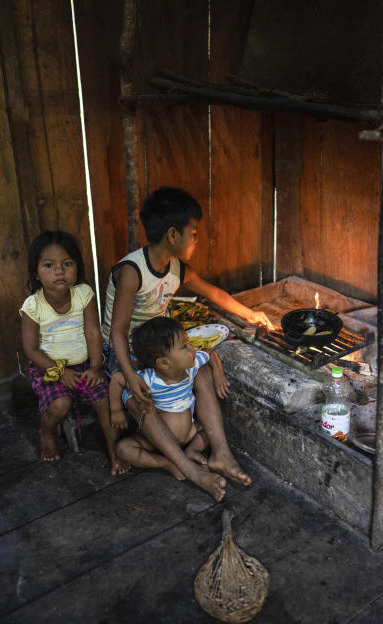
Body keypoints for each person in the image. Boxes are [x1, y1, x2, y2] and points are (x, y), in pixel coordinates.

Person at [102, 187, 272, 500]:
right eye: (192, 233)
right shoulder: (132, 271)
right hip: (125, 354)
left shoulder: (177, 268)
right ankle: (188, 467)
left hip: (160, 348)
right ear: (172, 234)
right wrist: (130, 374)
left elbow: (215, 294)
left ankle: (220, 453)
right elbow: (117, 333)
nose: (196, 239)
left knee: (204, 372)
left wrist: (253, 314)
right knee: (143, 400)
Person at [20, 231, 127, 472]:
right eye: (49, 265)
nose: (59, 271)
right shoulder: (33, 306)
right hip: (49, 369)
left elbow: (93, 333)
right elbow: (31, 349)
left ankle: (114, 450)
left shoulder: (83, 295)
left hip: (86, 366)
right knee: (60, 404)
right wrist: (60, 372)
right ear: (36, 273)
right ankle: (46, 431)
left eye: (67, 264)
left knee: (105, 401)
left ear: (76, 268)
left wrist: (95, 366)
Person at [109, 317, 230, 484]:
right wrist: (116, 410)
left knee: (212, 428)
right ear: (164, 363)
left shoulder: (192, 365)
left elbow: (210, 353)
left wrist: (218, 374)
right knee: (123, 449)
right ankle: (167, 463)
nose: (192, 347)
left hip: (190, 432)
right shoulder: (150, 379)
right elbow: (117, 379)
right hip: (156, 442)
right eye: (184, 346)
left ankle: (192, 450)